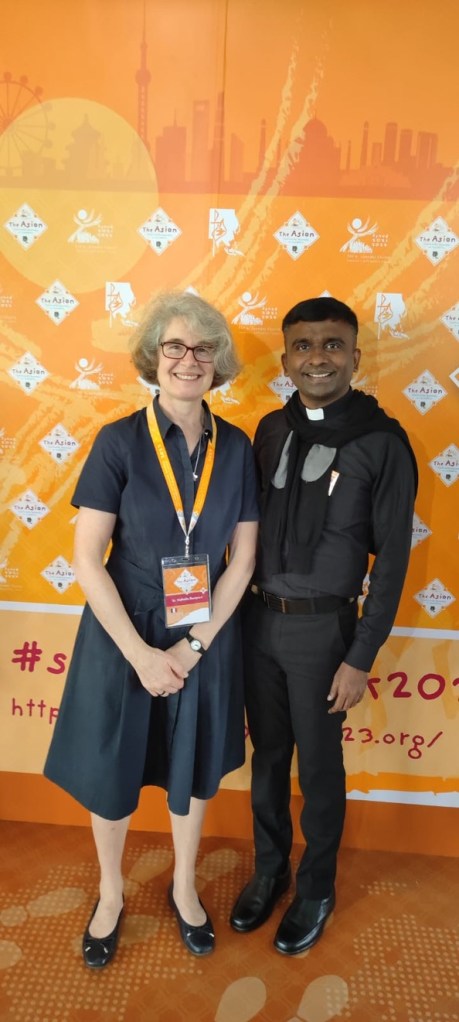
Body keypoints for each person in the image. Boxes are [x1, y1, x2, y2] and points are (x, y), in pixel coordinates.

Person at [44, 291, 258, 967]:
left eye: (203, 349)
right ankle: (110, 893)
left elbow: (242, 560)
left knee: (188, 765)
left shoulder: (237, 447)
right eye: (174, 347)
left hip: (204, 630)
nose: (189, 360)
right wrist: (141, 655)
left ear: (218, 361)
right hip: (124, 630)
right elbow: (87, 558)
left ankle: (184, 886)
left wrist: (191, 649)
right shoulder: (118, 442)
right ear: (153, 356)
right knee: (113, 767)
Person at [230, 296, 417, 955]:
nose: (317, 358)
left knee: (317, 770)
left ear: (354, 357)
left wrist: (360, 655)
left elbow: (392, 560)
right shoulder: (268, 430)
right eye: (303, 346)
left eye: (332, 345)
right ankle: (269, 870)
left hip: (324, 635)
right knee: (266, 760)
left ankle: (315, 887)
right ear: (285, 361)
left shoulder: (382, 442)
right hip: (258, 623)